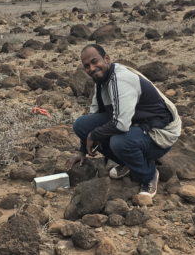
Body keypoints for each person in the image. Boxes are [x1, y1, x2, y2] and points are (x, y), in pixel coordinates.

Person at [65, 44, 181, 197]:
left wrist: (94, 136)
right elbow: (93, 117)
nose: (92, 68)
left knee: (119, 142)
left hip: (160, 132)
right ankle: (129, 162)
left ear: (106, 59)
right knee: (81, 124)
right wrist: (82, 151)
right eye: (87, 66)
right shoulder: (101, 81)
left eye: (94, 62)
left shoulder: (120, 80)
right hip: (137, 124)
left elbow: (121, 124)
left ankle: (149, 174)